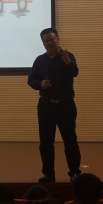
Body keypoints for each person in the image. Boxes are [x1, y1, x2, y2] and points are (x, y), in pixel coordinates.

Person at [27, 27, 81, 183]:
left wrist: (68, 63)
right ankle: (48, 174)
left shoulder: (68, 56)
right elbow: (31, 80)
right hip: (46, 106)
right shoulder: (39, 60)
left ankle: (75, 173)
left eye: (52, 39)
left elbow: (75, 73)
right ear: (43, 43)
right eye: (46, 41)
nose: (50, 43)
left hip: (66, 104)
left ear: (58, 39)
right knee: (46, 142)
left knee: (70, 140)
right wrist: (40, 84)